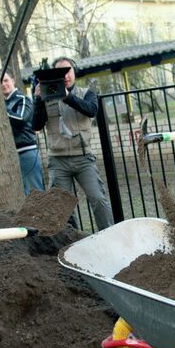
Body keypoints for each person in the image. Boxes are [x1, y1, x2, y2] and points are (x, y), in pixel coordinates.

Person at [32, 56, 114, 231]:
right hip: (58, 161)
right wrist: (38, 100)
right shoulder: (46, 96)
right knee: (62, 207)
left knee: (98, 199)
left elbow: (91, 110)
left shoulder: (87, 93)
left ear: (74, 71)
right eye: (60, 72)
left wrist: (67, 96)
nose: (66, 76)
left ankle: (108, 236)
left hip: (83, 159)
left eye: (68, 70)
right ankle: (73, 240)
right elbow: (36, 125)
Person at [1, 70, 45, 195]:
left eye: (6, 80)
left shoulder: (22, 99)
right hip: (10, 155)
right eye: (0, 82)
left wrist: (1, 110)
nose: (3, 84)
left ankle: (40, 215)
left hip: (26, 152)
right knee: (22, 195)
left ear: (13, 81)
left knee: (35, 193)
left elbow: (21, 119)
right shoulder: (4, 103)